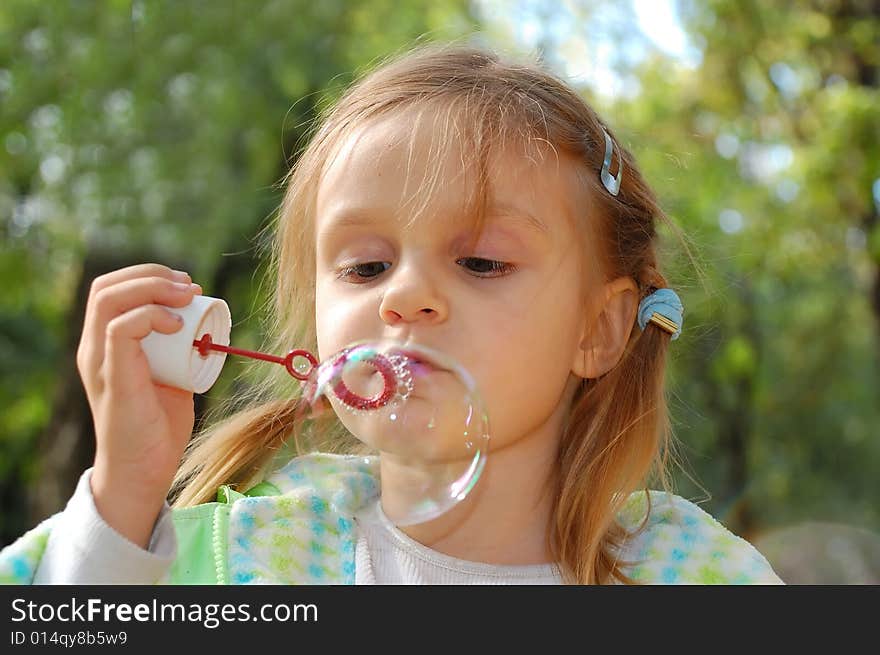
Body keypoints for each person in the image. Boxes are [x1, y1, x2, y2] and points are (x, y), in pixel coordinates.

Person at [0, 41, 782, 585]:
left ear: (599, 328)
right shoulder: (247, 558)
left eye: (480, 260)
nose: (402, 296)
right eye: (366, 266)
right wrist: (125, 493)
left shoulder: (694, 578)